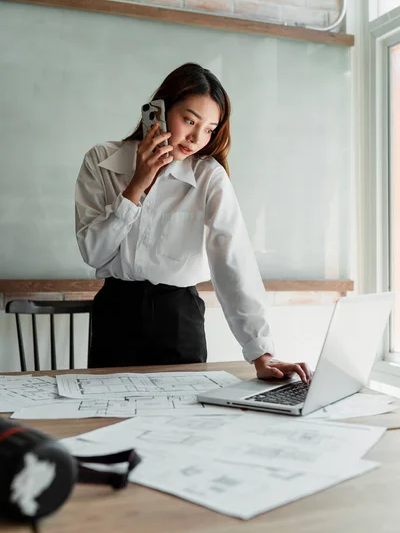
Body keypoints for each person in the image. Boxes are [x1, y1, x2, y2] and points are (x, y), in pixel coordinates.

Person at [75, 63, 311, 383]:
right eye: (189, 120)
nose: (197, 138)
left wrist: (261, 353)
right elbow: (94, 252)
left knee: (181, 424)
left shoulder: (208, 176)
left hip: (179, 319)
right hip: (116, 315)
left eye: (210, 129)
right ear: (157, 110)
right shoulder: (101, 161)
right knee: (104, 421)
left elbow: (233, 262)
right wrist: (136, 187)